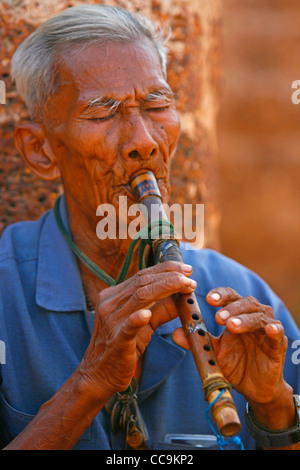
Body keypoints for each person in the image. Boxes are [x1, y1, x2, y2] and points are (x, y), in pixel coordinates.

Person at [0, 4, 299, 451]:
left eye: (157, 104)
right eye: (102, 114)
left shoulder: (235, 287)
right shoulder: (6, 291)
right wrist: (89, 383)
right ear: (41, 149)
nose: (143, 141)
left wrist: (275, 407)